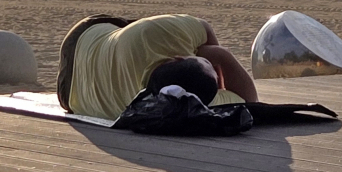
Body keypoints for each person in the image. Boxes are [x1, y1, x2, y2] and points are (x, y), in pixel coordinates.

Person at [57, 14, 258, 120]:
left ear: (178, 59)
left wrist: (218, 53)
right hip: (69, 96)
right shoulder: (184, 106)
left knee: (134, 30)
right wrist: (221, 74)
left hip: (83, 36)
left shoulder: (164, 31)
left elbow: (204, 27)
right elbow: (250, 102)